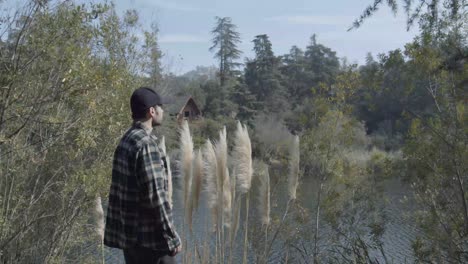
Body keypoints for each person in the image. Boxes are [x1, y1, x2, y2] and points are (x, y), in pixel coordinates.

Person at [104, 87, 181, 264]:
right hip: (150, 242)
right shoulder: (146, 145)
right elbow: (156, 197)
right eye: (160, 107)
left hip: (131, 241)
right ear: (152, 111)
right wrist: (171, 236)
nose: (163, 111)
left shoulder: (127, 139)